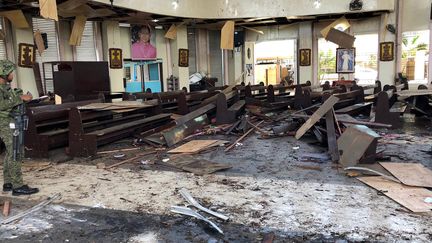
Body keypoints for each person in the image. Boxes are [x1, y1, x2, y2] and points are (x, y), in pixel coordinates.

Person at [0, 60, 39, 196]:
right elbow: (2, 104)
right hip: (5, 123)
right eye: (10, 72)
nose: (12, 74)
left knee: (11, 153)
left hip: (10, 121)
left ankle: (8, 183)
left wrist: (18, 95)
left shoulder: (5, 87)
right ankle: (18, 186)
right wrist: (20, 98)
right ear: (4, 73)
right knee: (15, 152)